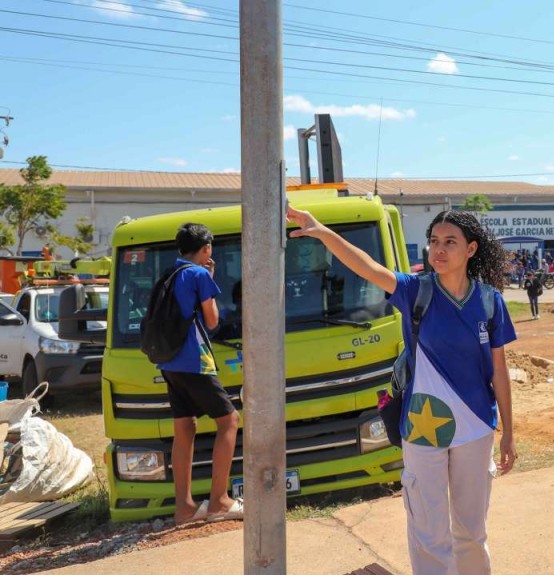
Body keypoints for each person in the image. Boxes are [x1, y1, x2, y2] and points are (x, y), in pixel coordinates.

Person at [287, 206, 518, 575]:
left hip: (476, 429)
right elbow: (367, 267)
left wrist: (509, 432)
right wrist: (322, 232)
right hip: (423, 427)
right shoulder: (415, 290)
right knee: (429, 532)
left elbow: (500, 372)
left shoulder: (490, 301)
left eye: (450, 242)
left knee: (471, 532)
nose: (439, 249)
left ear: (471, 249)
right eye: (434, 241)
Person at [157, 223, 242, 525]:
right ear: (206, 249)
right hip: (194, 361)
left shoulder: (170, 273)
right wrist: (210, 281)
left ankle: (184, 508)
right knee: (229, 420)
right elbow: (213, 320)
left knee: (184, 427)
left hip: (169, 363)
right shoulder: (199, 274)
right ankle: (219, 501)